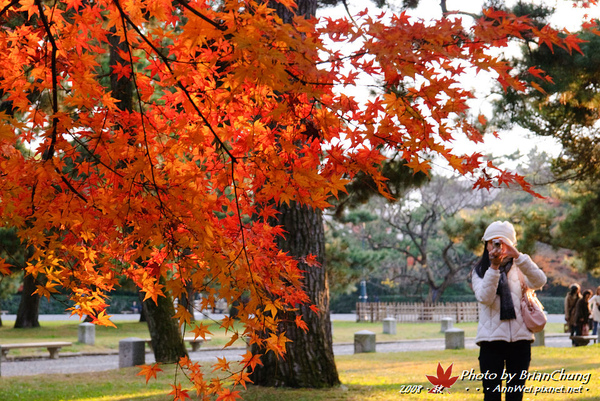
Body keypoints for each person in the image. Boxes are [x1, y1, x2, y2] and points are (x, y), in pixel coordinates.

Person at [471, 221, 547, 401]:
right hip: (491, 341)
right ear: (486, 244)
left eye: (501, 242)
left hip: (520, 342)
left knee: (515, 395)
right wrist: (494, 268)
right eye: (492, 242)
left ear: (511, 244)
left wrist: (519, 256)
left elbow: (539, 281)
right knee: (491, 395)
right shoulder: (480, 270)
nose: (496, 247)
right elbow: (485, 298)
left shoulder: (521, 266)